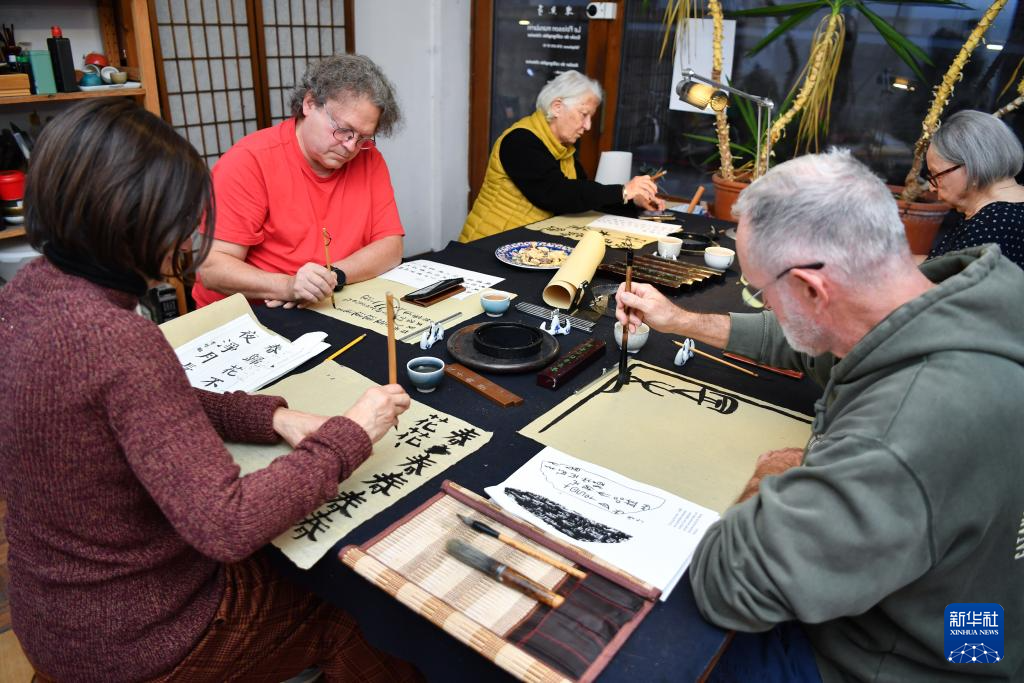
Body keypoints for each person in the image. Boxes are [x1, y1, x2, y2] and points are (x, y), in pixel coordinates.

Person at [0, 98, 419, 683]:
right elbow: (228, 522)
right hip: (140, 633)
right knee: (356, 609)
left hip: (55, 611)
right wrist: (351, 434)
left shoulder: (25, 294)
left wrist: (271, 418)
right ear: (131, 221)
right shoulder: (116, 340)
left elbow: (133, 402)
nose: (187, 238)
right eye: (178, 221)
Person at [617, 149, 1024, 681]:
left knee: (654, 648)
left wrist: (769, 481)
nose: (765, 304)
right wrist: (677, 319)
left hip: (908, 660)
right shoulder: (965, 303)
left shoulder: (900, 434)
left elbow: (729, 584)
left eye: (763, 292)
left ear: (812, 288)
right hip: (981, 617)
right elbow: (810, 341)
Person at [193, 53, 405, 309]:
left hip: (326, 302)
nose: (351, 147)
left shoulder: (368, 158)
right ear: (309, 103)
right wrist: (288, 286)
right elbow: (212, 268)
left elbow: (391, 247)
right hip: (249, 313)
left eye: (362, 138)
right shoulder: (249, 161)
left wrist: (331, 276)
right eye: (344, 130)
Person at [459, 70, 665, 242]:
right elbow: (557, 194)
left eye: (591, 118)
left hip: (522, 244)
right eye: (584, 114)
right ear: (557, 107)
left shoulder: (562, 147)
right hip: (487, 244)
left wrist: (633, 200)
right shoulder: (520, 141)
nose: (588, 126)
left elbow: (586, 195)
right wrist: (623, 191)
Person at [926, 109, 1024, 267]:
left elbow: (946, 280)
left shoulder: (993, 226)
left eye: (936, 175)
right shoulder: (991, 214)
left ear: (972, 167)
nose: (931, 187)